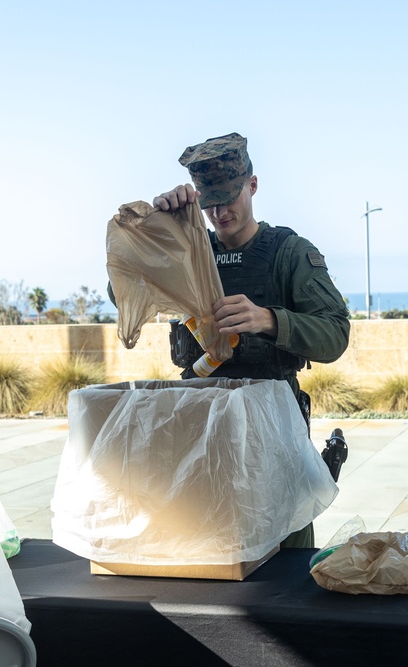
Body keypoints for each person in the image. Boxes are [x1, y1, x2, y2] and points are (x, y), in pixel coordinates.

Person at [154, 132, 351, 548]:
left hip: (273, 436)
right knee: (208, 552)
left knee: (287, 561)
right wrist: (162, 231)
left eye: (230, 197)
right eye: (209, 203)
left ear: (253, 185)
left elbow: (335, 334)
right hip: (204, 430)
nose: (220, 212)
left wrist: (269, 319)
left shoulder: (288, 253)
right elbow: (123, 293)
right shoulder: (192, 252)